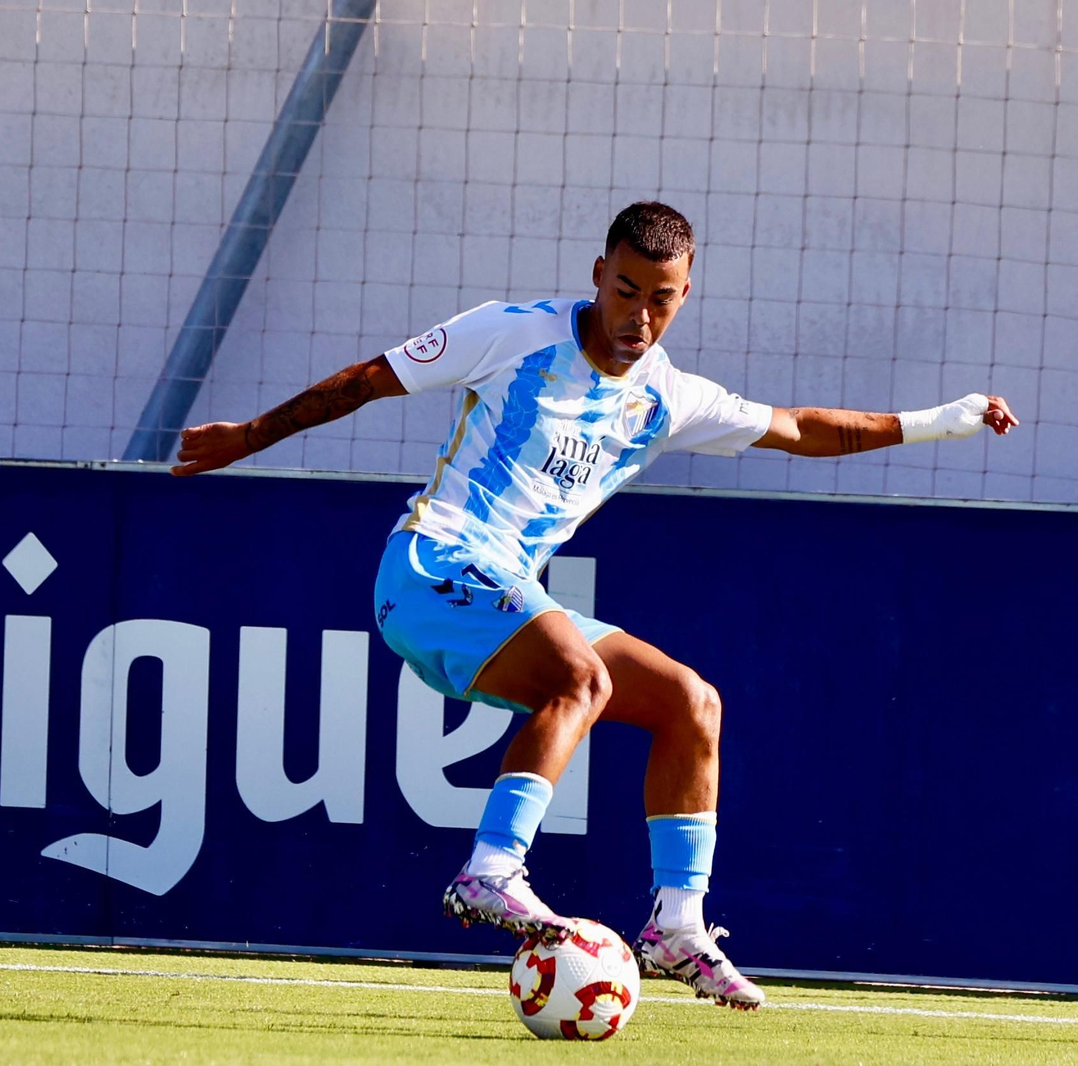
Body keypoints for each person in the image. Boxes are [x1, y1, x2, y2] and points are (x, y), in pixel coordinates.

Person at [172, 201, 1018, 1010]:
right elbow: (368, 380)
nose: (638, 317)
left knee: (692, 702)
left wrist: (944, 420)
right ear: (598, 273)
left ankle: (677, 927)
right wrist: (247, 438)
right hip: (431, 567)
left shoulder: (669, 397)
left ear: (684, 296)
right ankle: (491, 871)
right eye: (624, 291)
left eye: (660, 299)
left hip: (508, 594)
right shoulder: (512, 331)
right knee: (581, 676)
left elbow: (802, 429)